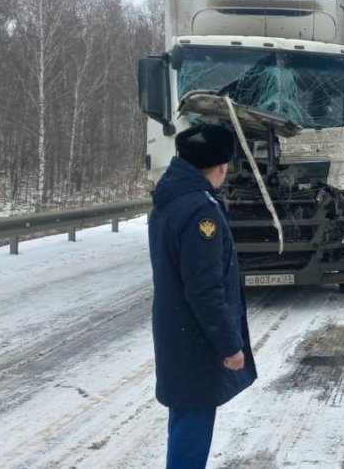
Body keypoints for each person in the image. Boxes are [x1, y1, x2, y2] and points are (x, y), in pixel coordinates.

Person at [148, 123, 258, 469]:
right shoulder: (201, 212)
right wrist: (231, 345)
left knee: (184, 418)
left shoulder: (170, 199)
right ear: (221, 166)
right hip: (194, 338)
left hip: (177, 332)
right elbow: (205, 290)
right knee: (193, 425)